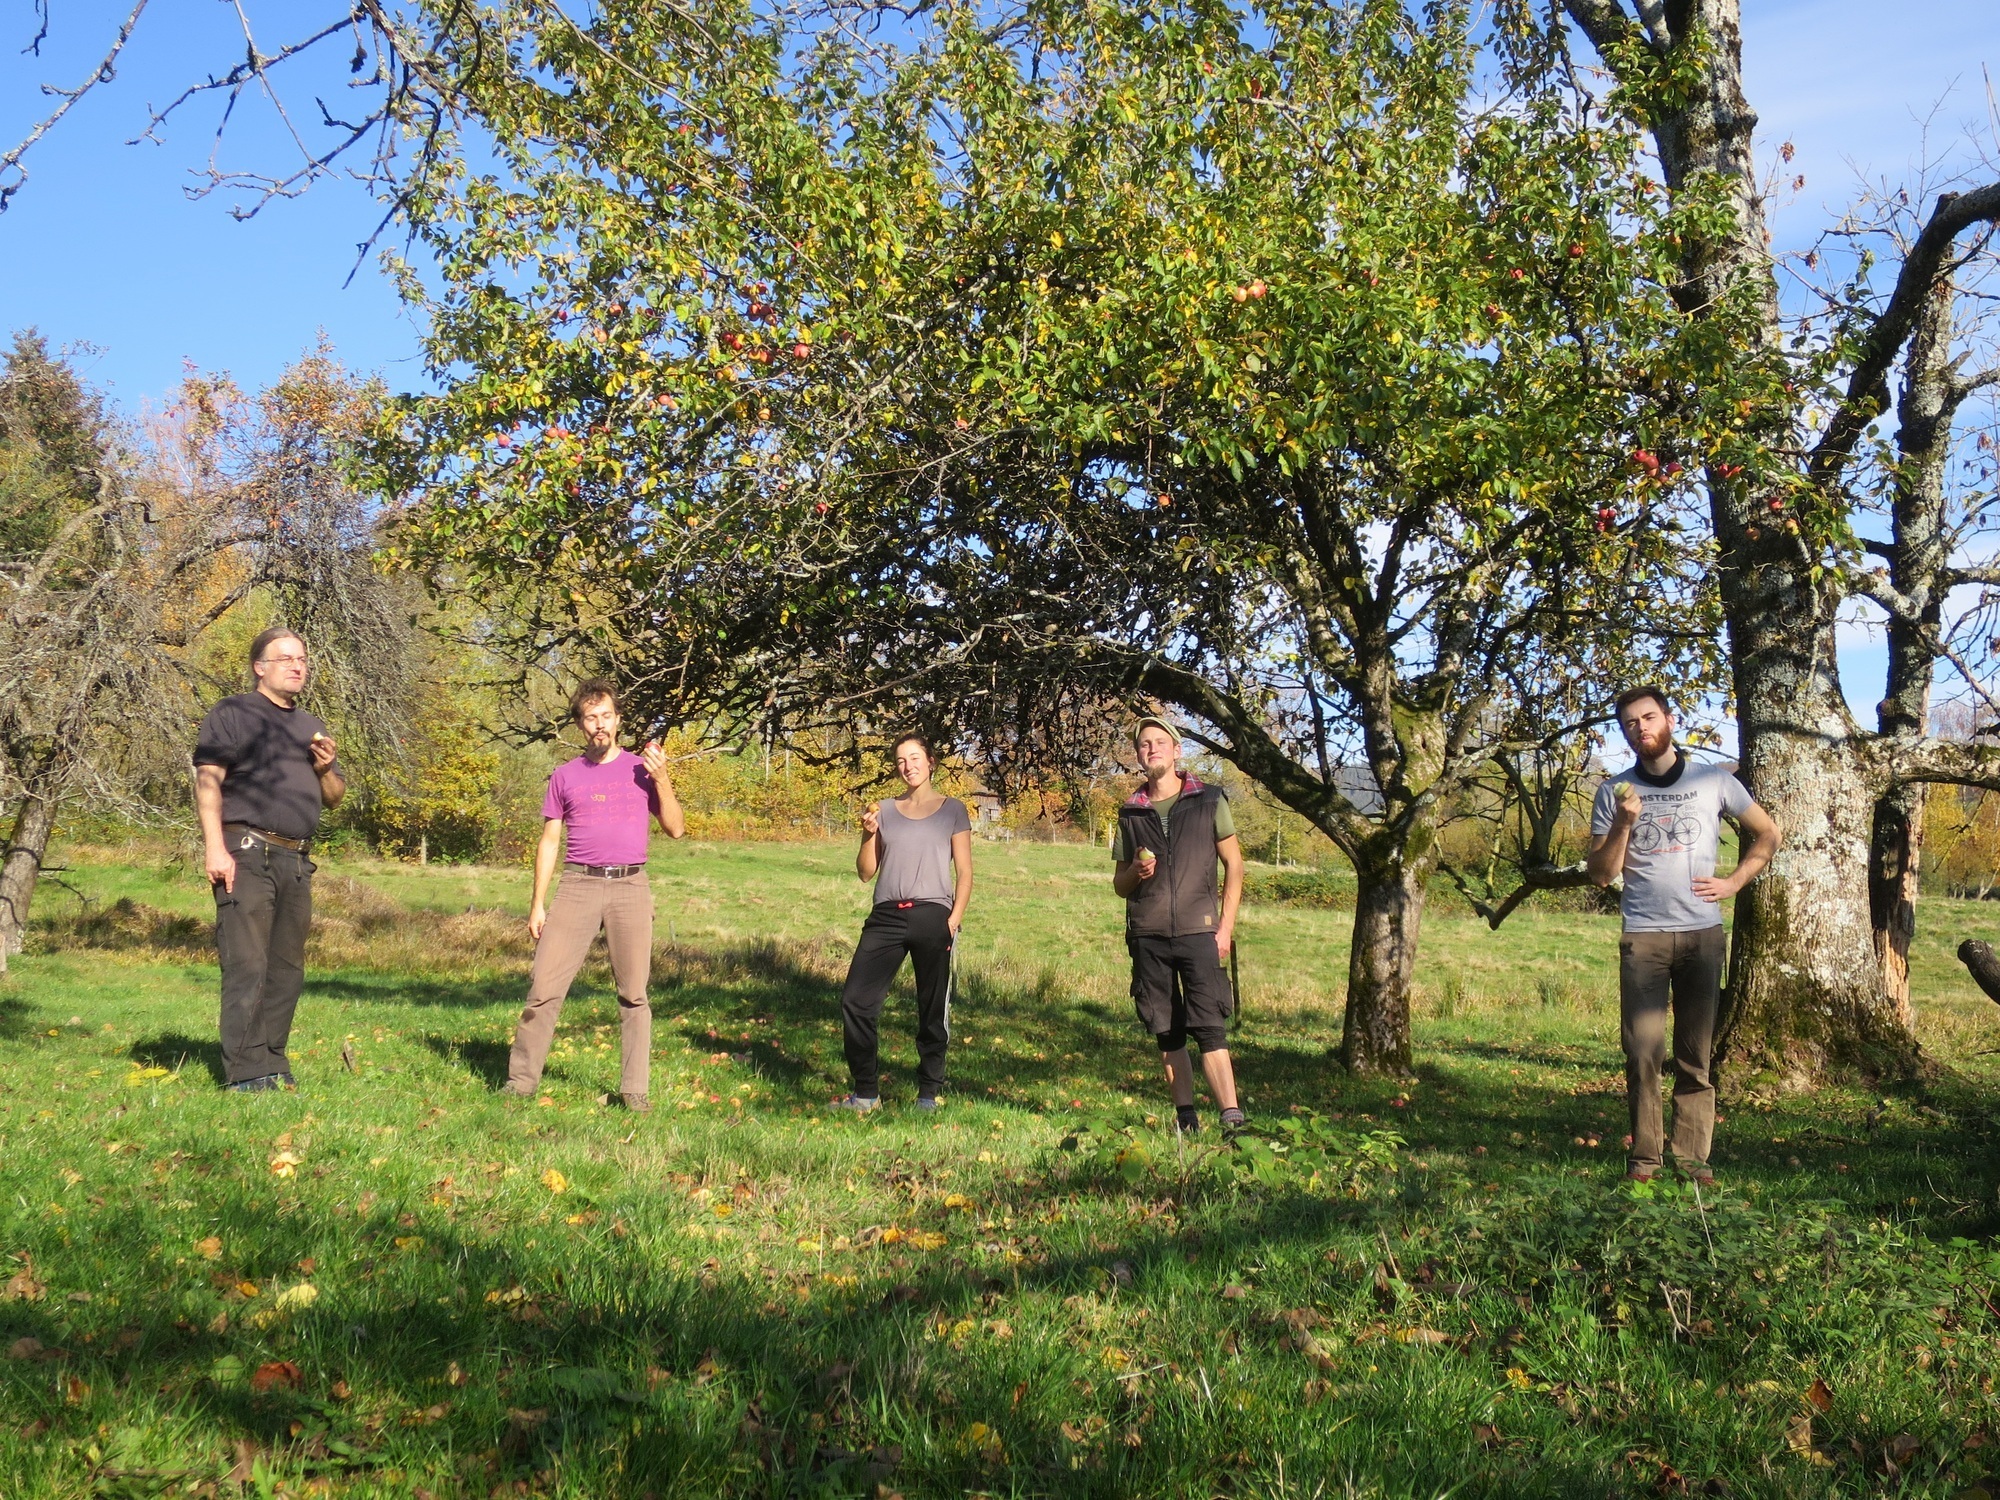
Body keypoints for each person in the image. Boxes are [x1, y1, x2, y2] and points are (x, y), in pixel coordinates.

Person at [1587, 685, 1781, 1185]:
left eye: (1648, 718)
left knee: (1696, 1056)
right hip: (1644, 939)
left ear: (1669, 720)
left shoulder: (1713, 781)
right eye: (1630, 722)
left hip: (1702, 935)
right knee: (1643, 1053)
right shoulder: (1614, 792)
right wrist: (1625, 826)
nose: (1641, 728)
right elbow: (1600, 875)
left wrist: (1734, 882)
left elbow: (1768, 833)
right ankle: (1645, 1162)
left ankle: (1694, 1163)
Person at [505, 680, 685, 1112]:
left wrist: (662, 780)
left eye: (606, 716)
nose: (599, 725)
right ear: (580, 725)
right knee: (544, 988)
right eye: (591, 718)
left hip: (630, 887)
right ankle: (520, 1083)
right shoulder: (564, 776)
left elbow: (676, 828)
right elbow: (549, 841)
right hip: (577, 886)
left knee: (634, 994)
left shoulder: (643, 770)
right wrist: (537, 902)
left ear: (618, 719)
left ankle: (634, 1092)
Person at [193, 626, 347, 1093]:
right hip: (246, 849)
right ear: (261, 667)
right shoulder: (233, 712)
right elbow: (207, 779)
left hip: (296, 860)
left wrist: (323, 769)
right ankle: (244, 1072)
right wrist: (214, 847)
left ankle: (273, 1062)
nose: (298, 666)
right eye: (286, 659)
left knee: (286, 967)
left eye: (302, 658)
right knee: (247, 963)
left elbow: (336, 797)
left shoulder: (310, 726)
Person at [1111, 715, 1245, 1136]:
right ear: (1138, 754)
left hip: (1198, 931)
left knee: (1210, 1026)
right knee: (1167, 1030)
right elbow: (1120, 885)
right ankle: (1186, 1117)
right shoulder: (1131, 812)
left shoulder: (1208, 799)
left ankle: (1231, 1117)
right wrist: (1135, 870)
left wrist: (1224, 929)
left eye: (1159, 742)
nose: (1152, 749)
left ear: (1176, 750)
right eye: (1144, 744)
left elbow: (1235, 866)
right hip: (1148, 934)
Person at [833, 734, 973, 1112]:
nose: (908, 766)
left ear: (930, 762)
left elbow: (965, 871)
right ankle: (866, 1094)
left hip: (933, 916)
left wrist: (953, 920)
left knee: (931, 1009)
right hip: (886, 917)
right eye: (900, 760)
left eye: (914, 758)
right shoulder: (883, 810)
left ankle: (928, 1093)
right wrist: (868, 834)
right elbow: (865, 873)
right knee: (856, 1001)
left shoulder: (953, 809)